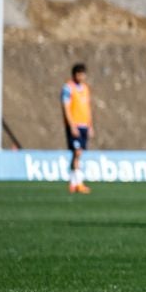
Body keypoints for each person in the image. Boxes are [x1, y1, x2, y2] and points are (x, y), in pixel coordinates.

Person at [61, 63, 93, 195]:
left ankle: (73, 183)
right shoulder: (68, 88)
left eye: (83, 74)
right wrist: (71, 125)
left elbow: (88, 108)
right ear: (74, 75)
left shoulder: (85, 88)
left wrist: (90, 125)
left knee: (77, 154)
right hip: (75, 125)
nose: (81, 77)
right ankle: (78, 183)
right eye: (79, 74)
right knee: (77, 152)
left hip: (84, 125)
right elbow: (66, 108)